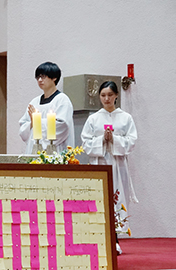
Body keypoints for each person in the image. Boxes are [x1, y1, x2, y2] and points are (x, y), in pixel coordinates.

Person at [81, 81, 138, 255]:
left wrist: (115, 140)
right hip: (99, 164)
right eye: (103, 95)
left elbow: (132, 141)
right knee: (99, 201)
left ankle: (115, 240)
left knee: (116, 200)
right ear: (99, 97)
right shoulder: (93, 118)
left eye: (110, 95)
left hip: (118, 165)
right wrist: (102, 140)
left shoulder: (125, 117)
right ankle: (99, 240)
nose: (106, 99)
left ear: (116, 96)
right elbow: (85, 142)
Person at [18, 61, 75, 154]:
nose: (40, 80)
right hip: (33, 150)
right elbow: (23, 130)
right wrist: (32, 123)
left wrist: (37, 121)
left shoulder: (62, 100)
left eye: (43, 77)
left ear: (54, 77)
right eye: (38, 77)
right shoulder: (34, 102)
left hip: (55, 151)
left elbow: (62, 126)